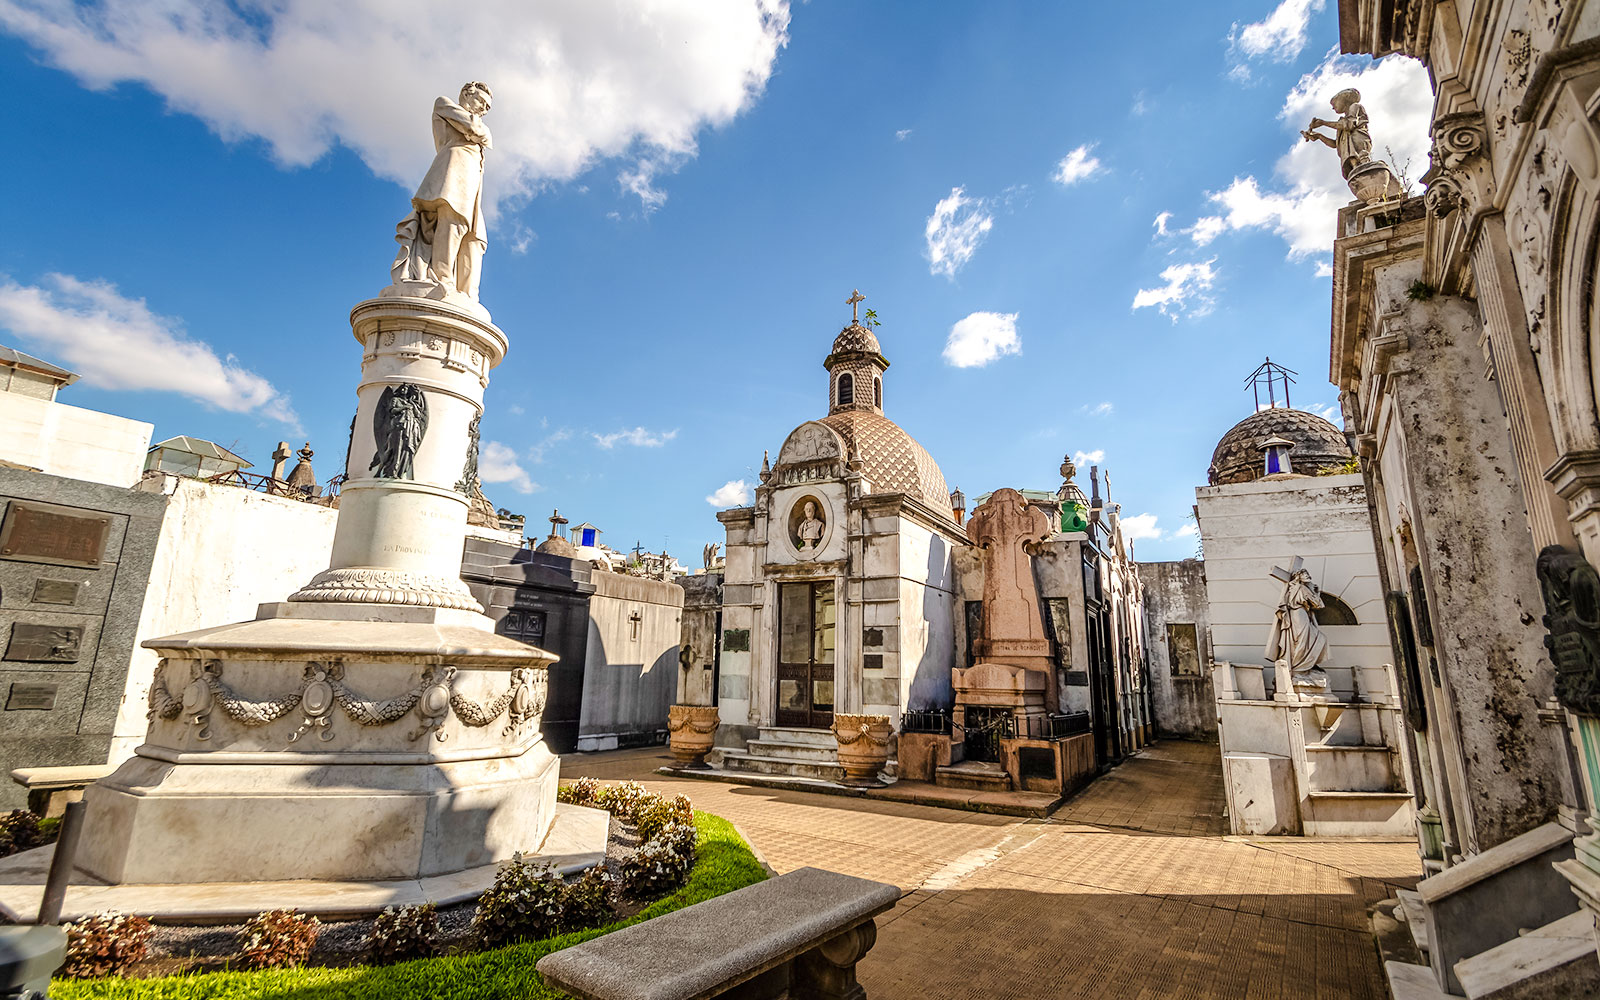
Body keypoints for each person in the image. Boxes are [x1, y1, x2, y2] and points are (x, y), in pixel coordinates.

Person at [392, 82, 493, 299]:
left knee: (475, 239)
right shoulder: (444, 104)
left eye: (488, 107)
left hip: (471, 185)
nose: (484, 110)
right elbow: (476, 130)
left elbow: (484, 136)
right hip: (452, 174)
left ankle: (466, 294)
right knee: (453, 222)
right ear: (467, 94)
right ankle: (443, 278)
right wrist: (476, 129)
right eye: (482, 102)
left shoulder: (467, 119)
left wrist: (478, 131)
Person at [1301, 88, 1372, 179]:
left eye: (1334, 103)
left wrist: (1323, 123)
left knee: (1363, 167)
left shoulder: (1355, 106)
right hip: (1351, 161)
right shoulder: (1341, 124)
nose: (1333, 107)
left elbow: (1349, 125)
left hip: (1359, 146)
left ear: (1345, 98)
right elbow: (1336, 144)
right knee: (1357, 174)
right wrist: (1319, 136)